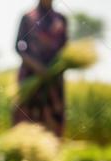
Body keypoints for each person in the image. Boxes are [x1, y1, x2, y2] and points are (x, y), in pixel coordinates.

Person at [14, 0, 68, 136]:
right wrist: (36, 66)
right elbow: (18, 46)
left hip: (53, 78)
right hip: (30, 75)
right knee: (26, 116)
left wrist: (56, 67)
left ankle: (52, 148)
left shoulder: (61, 19)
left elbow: (65, 49)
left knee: (53, 117)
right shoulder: (28, 17)